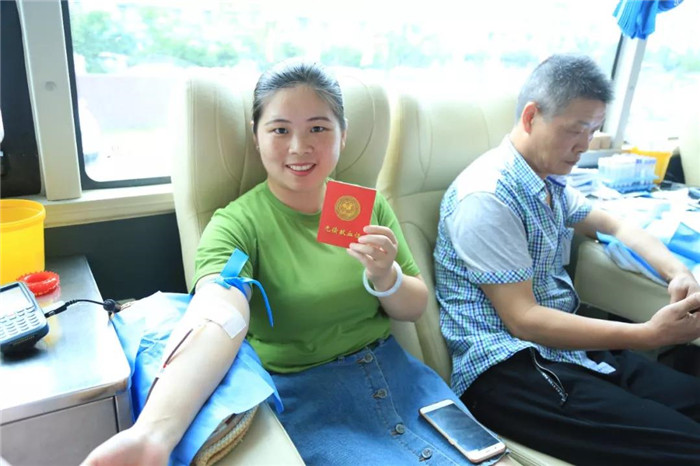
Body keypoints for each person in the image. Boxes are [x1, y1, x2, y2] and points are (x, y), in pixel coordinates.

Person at [82, 59, 504, 466]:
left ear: (343, 134)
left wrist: (384, 274)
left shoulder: (364, 207)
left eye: (318, 128)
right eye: (280, 130)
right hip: (310, 400)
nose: (299, 147)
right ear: (256, 136)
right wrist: (153, 433)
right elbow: (217, 316)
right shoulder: (237, 224)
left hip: (400, 377)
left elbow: (412, 308)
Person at [434, 53, 700, 465]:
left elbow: (616, 225)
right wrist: (647, 335)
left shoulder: (547, 180)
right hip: (510, 369)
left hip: (568, 352)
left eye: (593, 131)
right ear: (530, 117)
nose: (584, 146)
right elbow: (523, 319)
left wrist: (678, 272)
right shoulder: (486, 197)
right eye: (575, 130)